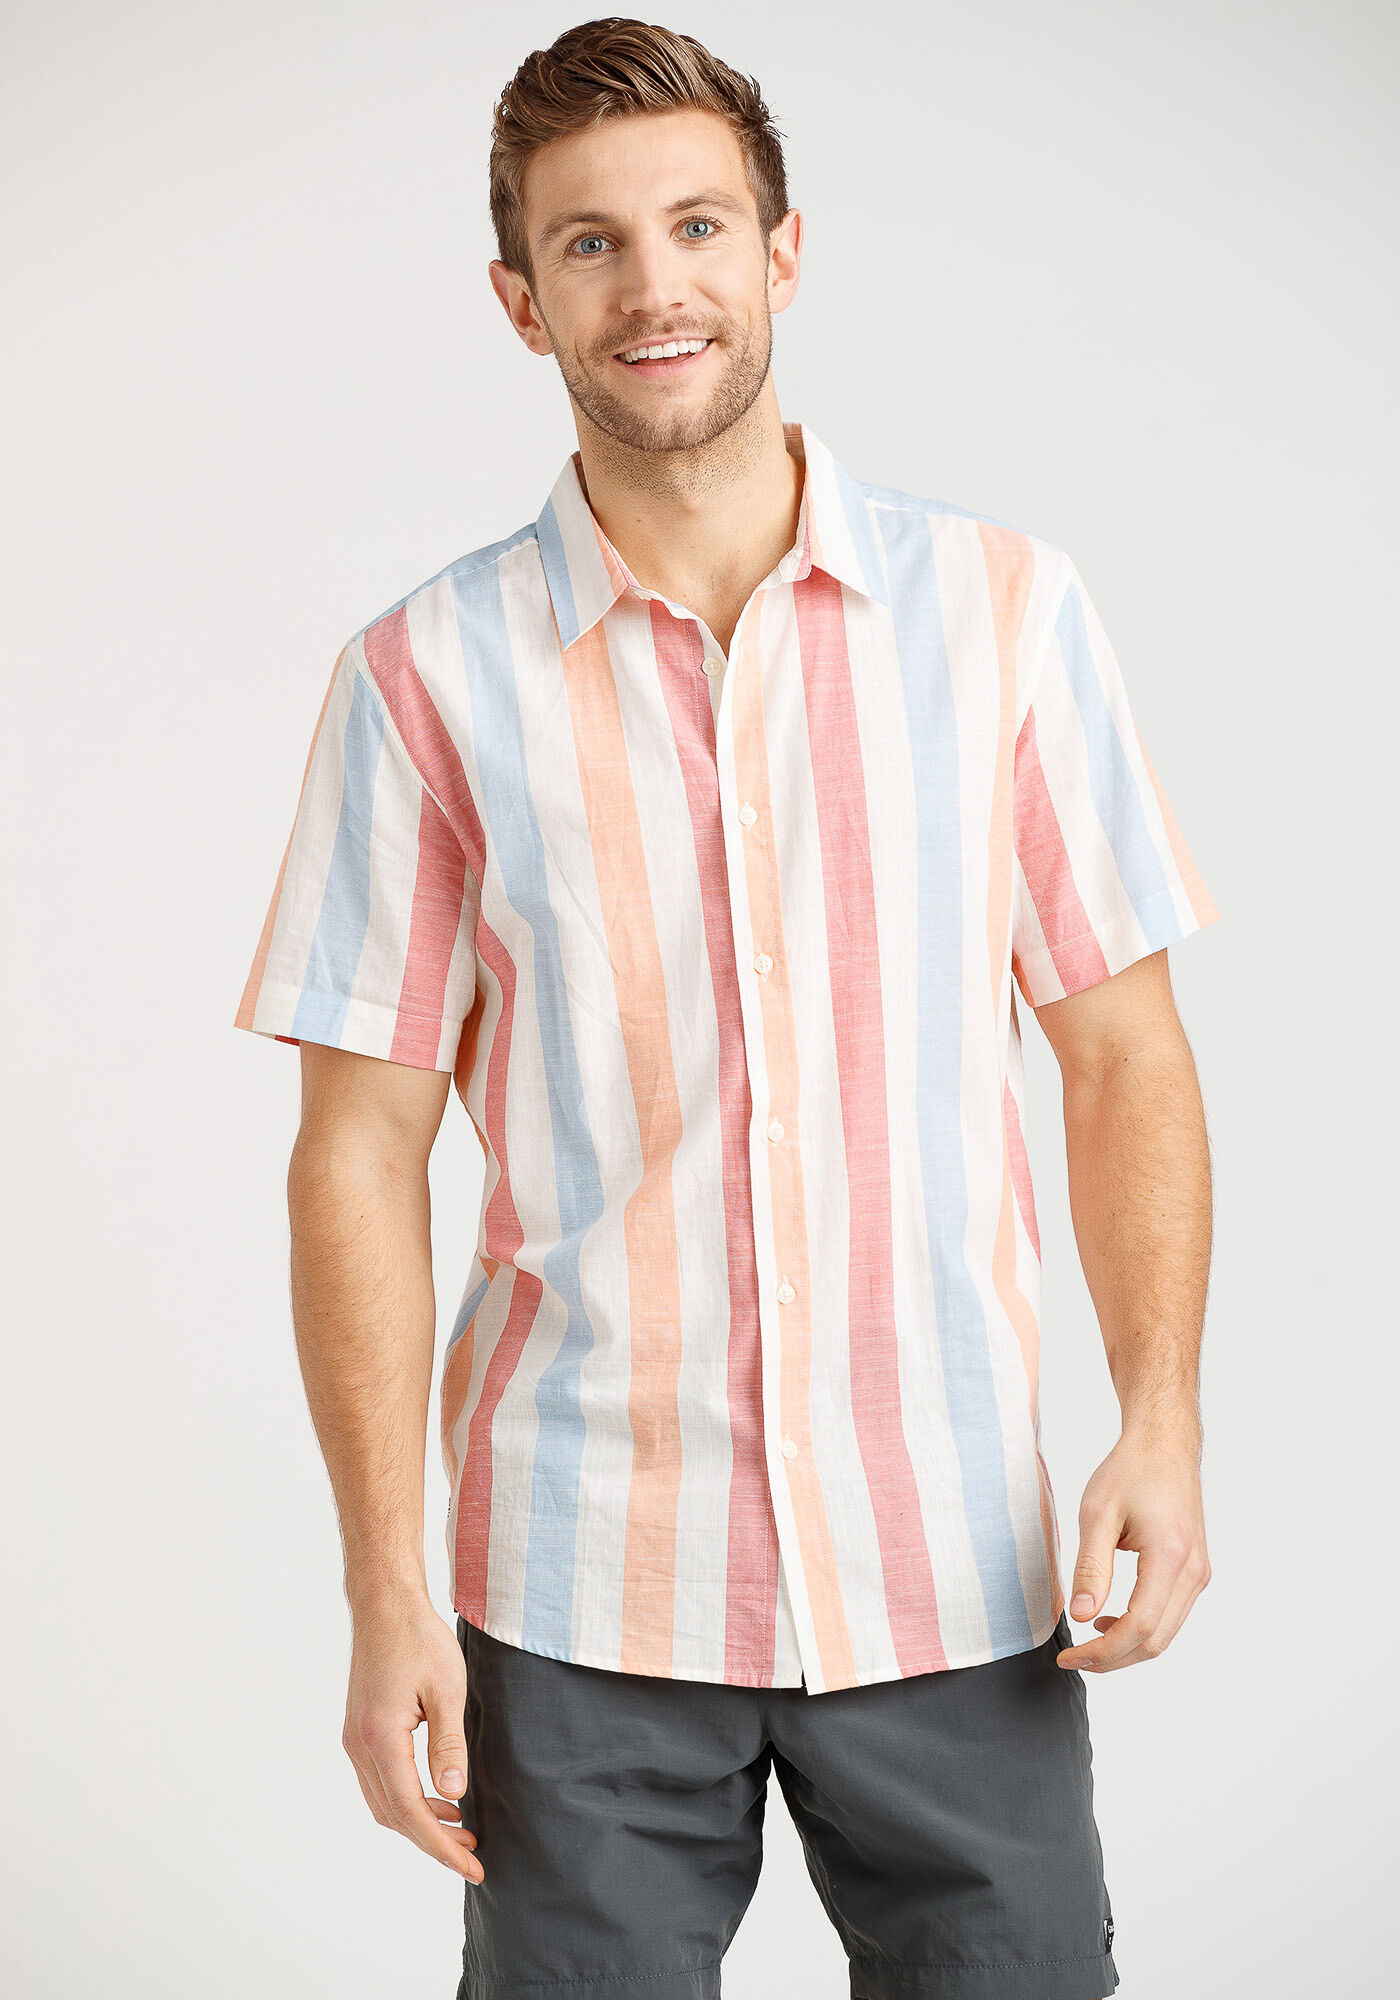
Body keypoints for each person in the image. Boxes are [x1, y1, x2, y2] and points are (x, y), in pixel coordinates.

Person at [234, 19, 1221, 2000]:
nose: (652, 285)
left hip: (952, 1567)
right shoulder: (421, 680)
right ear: (520, 300)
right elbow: (357, 1153)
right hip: (576, 1588)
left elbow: (1122, 1053)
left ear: (783, 252)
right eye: (588, 243)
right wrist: (384, 1587)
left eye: (696, 225)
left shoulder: (1006, 616)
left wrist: (1163, 1414)